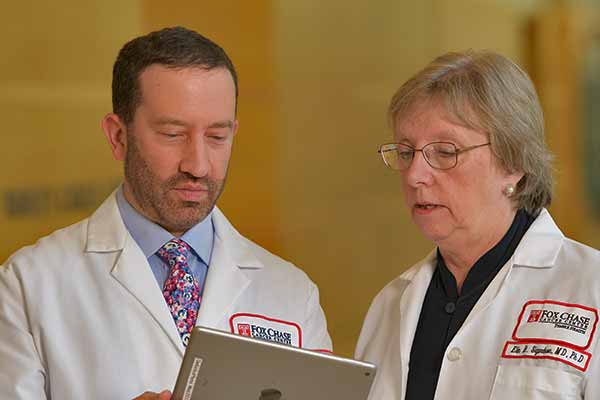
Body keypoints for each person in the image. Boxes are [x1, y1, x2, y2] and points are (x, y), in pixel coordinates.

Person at [0, 26, 332, 400]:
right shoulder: (27, 286)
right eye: (173, 134)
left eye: (217, 137)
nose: (199, 165)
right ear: (118, 137)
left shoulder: (292, 292)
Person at [355, 49, 600, 400]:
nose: (415, 175)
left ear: (513, 162)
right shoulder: (389, 305)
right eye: (407, 152)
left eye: (445, 151)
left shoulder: (591, 289)